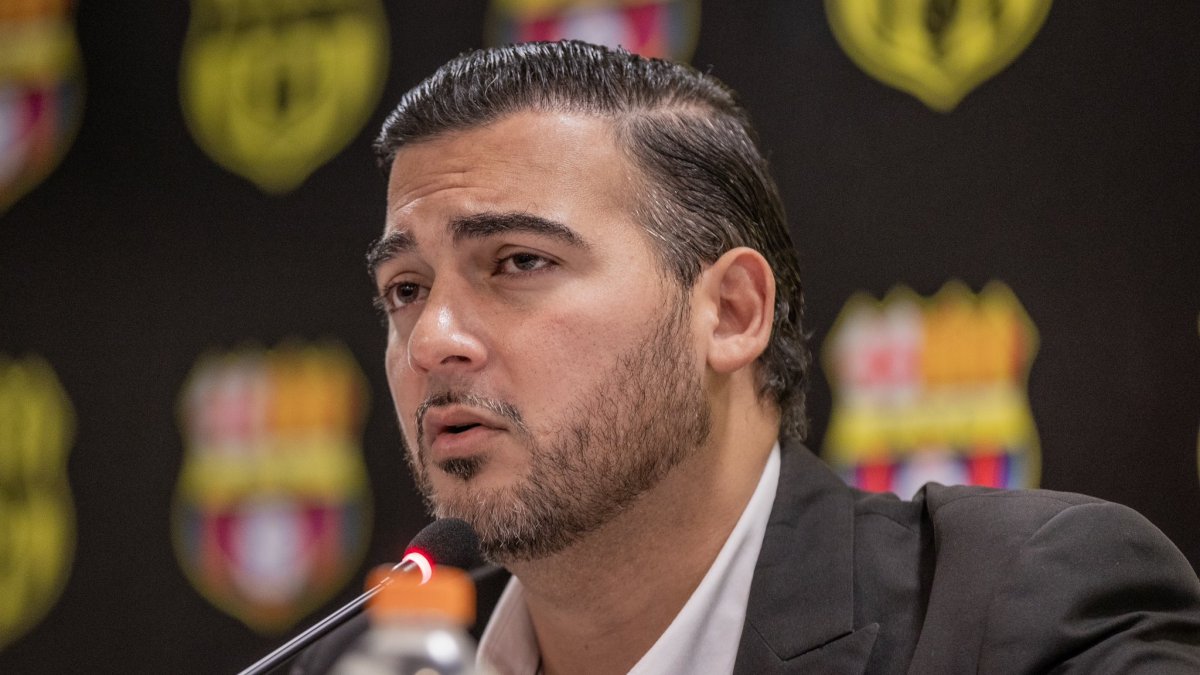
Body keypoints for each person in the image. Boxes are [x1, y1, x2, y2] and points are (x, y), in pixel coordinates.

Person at [295, 40, 1200, 674]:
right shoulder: (357, 663)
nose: (433, 339)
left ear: (730, 312)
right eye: (405, 289)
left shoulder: (1025, 615)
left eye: (519, 262)